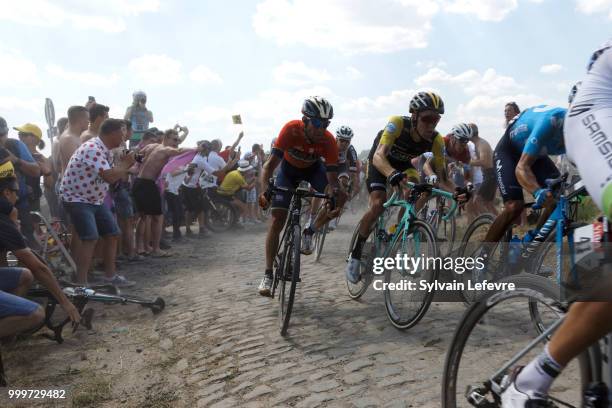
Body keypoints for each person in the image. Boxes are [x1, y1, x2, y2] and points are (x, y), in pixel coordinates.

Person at [501, 39, 612, 407]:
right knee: (517, 201)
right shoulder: (551, 121)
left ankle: (588, 258)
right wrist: (538, 195)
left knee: (572, 202)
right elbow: (521, 168)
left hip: (572, 137)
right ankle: (500, 250)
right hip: (518, 150)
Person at [345, 92, 467, 284]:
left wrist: (457, 191)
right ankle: (356, 253)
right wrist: (391, 173)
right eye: (427, 119)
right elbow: (378, 156)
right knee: (378, 204)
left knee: (419, 192)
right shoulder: (398, 124)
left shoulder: (435, 139)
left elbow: (443, 178)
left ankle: (397, 230)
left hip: (404, 166)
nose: (432, 125)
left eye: (436, 119)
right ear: (415, 116)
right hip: (381, 162)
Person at [257, 96, 346, 296]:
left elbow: (332, 179)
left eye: (325, 124)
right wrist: (265, 191)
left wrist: (334, 196)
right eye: (316, 122)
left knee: (341, 195)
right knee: (277, 219)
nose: (320, 128)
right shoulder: (290, 130)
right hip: (287, 172)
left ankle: (310, 231)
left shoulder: (329, 140)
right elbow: (269, 166)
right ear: (305, 120)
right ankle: (268, 273)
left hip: (313, 170)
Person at [478, 104, 566, 266]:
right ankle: (481, 258)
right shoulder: (551, 122)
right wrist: (537, 191)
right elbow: (521, 168)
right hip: (509, 152)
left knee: (558, 198)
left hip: (537, 154)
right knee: (514, 206)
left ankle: (529, 244)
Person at [0, 176, 80, 337]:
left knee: (24, 275)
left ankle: (8, 329)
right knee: (35, 313)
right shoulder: (4, 220)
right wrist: (65, 302)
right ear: (7, 193)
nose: (18, 198)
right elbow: (39, 268)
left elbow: (6, 262)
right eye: (17, 193)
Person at [60, 119, 136, 286]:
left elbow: (114, 176)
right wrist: (125, 164)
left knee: (112, 234)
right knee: (90, 238)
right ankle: (82, 284)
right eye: (122, 134)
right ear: (113, 133)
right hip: (77, 198)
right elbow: (109, 176)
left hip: (93, 199)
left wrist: (124, 165)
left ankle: (110, 277)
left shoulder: (106, 149)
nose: (124, 138)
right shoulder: (93, 148)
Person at [132, 129, 191, 256]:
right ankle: (155, 249)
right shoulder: (165, 150)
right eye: (174, 140)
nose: (177, 142)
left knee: (143, 217)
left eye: (178, 140)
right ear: (166, 137)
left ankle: (141, 247)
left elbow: (136, 156)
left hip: (139, 182)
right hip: (148, 184)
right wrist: (197, 148)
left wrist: (135, 168)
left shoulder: (150, 146)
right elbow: (179, 151)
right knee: (157, 218)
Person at [0, 118, 41, 249]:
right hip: (4, 210)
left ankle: (28, 268)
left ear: (6, 133)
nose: (0, 139)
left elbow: (36, 171)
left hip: (20, 206)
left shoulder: (15, 145)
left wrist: (16, 160)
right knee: (7, 252)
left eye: (1, 135)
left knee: (26, 246)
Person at [15, 124, 52, 218]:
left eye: (23, 134)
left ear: (34, 138)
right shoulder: (14, 154)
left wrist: (47, 172)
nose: (19, 135)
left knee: (33, 230)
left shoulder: (42, 159)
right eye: (19, 133)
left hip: (32, 201)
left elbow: (49, 185)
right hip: (14, 199)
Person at [466, 123, 498, 218]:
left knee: (477, 200)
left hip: (490, 174)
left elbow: (485, 162)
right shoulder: (478, 144)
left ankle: (491, 223)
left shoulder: (481, 144)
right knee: (488, 204)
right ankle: (502, 224)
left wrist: (468, 162)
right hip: (489, 175)